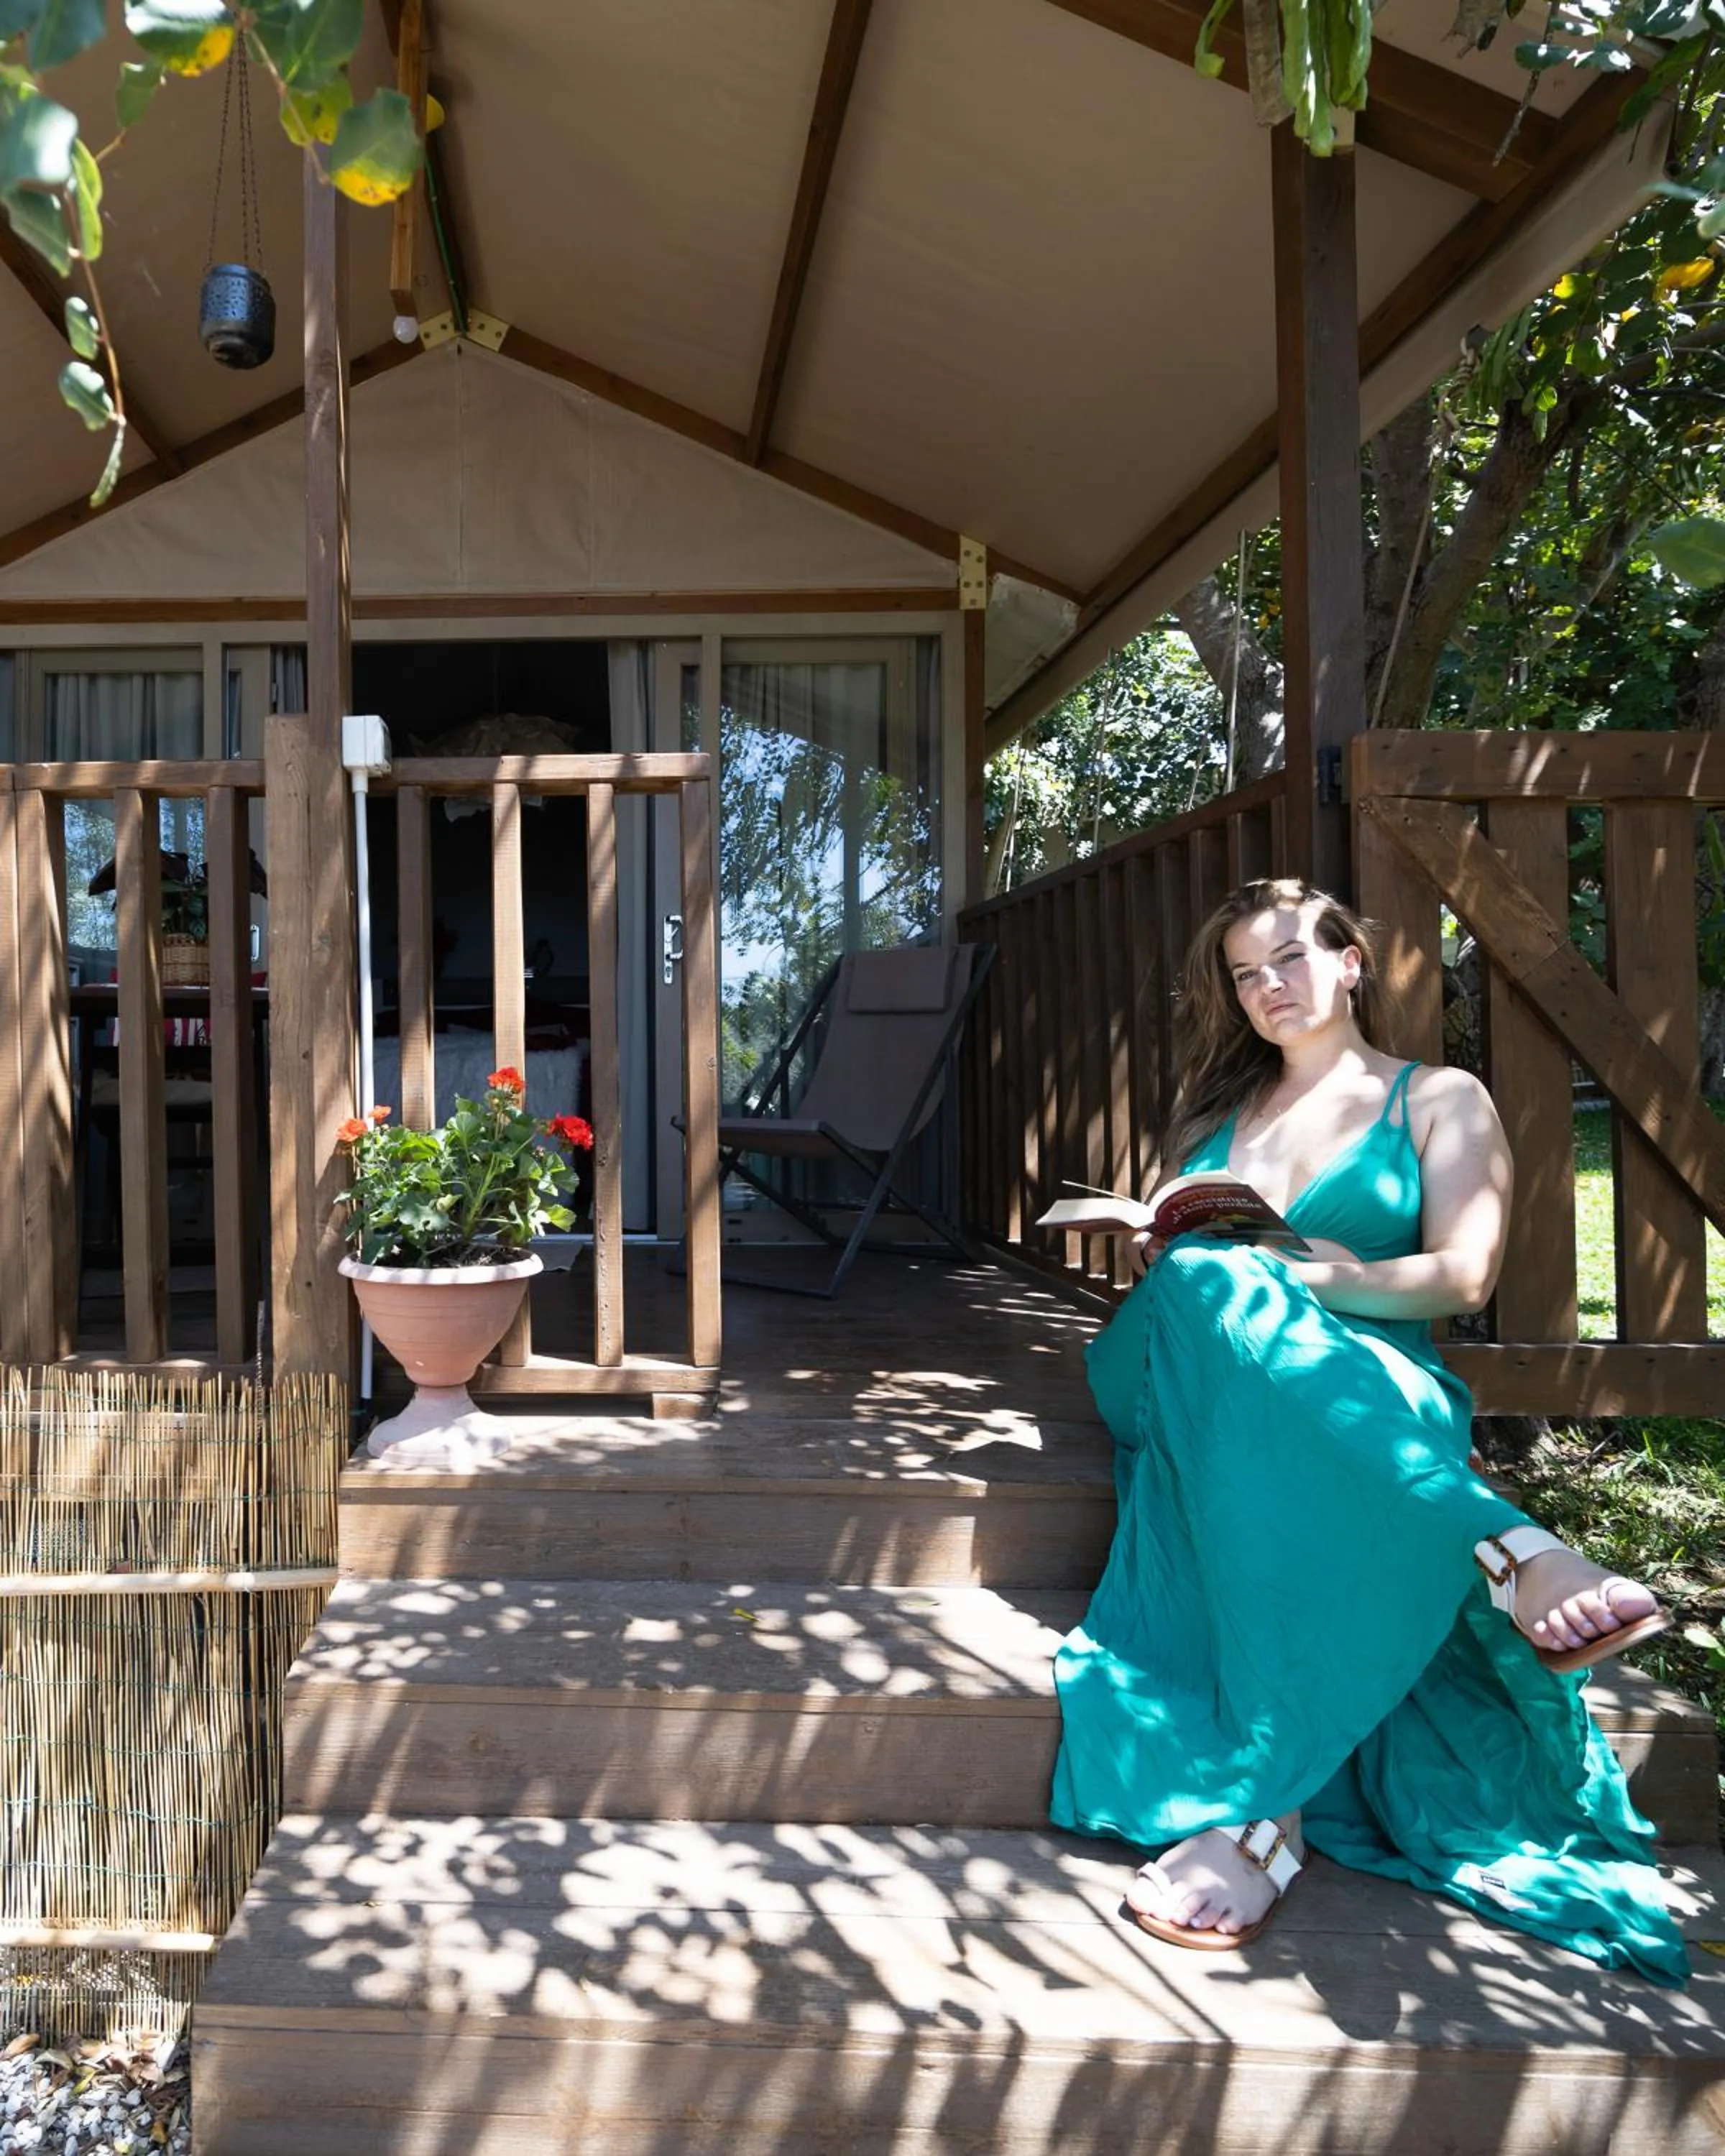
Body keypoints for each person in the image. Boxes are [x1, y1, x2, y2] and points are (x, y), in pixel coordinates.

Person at [1050, 877, 1687, 1985]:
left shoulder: (1440, 1099)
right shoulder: (1214, 1118)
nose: (1269, 989)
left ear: (1353, 962)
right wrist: (1177, 1246)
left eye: (1291, 958)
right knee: (1209, 1282)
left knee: (1244, 1337)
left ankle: (1268, 1811)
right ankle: (1506, 1547)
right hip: (1174, 1374)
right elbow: (1185, 1278)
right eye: (1247, 975)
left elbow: (1461, 1273)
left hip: (1370, 1386)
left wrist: (1315, 1284)